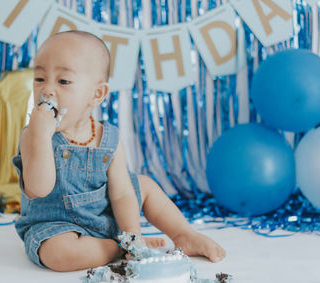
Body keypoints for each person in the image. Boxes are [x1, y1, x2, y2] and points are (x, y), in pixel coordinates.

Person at [12, 30, 226, 272]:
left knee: (143, 185)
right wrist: (41, 135)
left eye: (63, 81)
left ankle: (184, 234)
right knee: (59, 255)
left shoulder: (109, 137)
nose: (47, 90)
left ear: (97, 94)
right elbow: (38, 189)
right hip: (57, 226)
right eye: (40, 79)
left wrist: (132, 234)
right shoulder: (34, 135)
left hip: (104, 216)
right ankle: (116, 248)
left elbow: (122, 194)